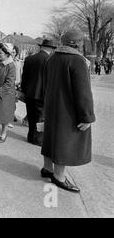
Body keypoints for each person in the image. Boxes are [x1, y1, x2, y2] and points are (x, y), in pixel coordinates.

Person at [41, 29, 95, 193]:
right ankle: (59, 177)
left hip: (52, 107)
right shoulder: (78, 61)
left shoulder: (52, 58)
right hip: (68, 111)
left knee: (51, 137)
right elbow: (83, 92)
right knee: (64, 142)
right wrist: (87, 116)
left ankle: (47, 168)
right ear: (78, 44)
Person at [20, 39, 57, 145]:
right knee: (41, 118)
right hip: (43, 94)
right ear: (51, 49)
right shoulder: (51, 60)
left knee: (31, 116)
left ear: (41, 47)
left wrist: (24, 90)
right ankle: (38, 139)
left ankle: (30, 136)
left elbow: (24, 77)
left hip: (29, 93)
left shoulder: (29, 59)